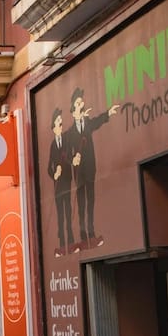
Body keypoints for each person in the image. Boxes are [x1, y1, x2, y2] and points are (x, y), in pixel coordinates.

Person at [65, 87, 119, 251]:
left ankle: (91, 232)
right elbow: (65, 154)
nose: (81, 105)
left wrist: (108, 113)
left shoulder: (87, 123)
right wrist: (72, 159)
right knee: (81, 203)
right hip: (79, 172)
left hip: (90, 168)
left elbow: (97, 121)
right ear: (73, 110)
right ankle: (83, 236)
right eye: (78, 103)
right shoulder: (70, 132)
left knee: (91, 200)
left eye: (82, 102)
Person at [47, 108, 75, 258]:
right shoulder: (52, 145)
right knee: (60, 214)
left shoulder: (66, 141)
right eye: (58, 123)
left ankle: (70, 242)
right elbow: (48, 168)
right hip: (58, 185)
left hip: (66, 182)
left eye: (61, 123)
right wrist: (54, 174)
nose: (61, 125)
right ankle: (62, 244)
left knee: (68, 211)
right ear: (53, 127)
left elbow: (69, 157)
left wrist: (71, 161)